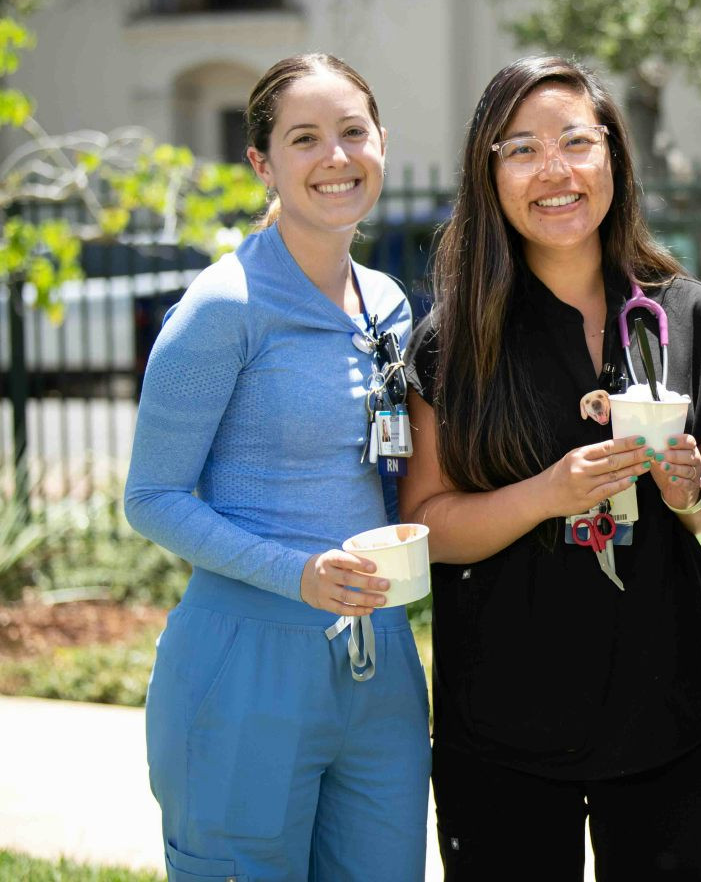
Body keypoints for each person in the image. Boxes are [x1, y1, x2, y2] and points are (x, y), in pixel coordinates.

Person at [399, 56, 701, 880]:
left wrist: (687, 487)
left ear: (614, 156)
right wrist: (548, 494)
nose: (555, 171)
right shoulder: (454, 340)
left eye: (576, 142)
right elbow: (426, 524)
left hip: (671, 713)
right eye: (522, 149)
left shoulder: (688, 314)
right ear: (489, 173)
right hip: (503, 728)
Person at [124, 54, 430, 879]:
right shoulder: (222, 307)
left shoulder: (389, 303)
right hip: (245, 665)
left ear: (382, 142)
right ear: (262, 163)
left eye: (353, 132)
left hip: (380, 659)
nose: (336, 157)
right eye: (304, 139)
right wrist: (297, 575)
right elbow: (150, 497)